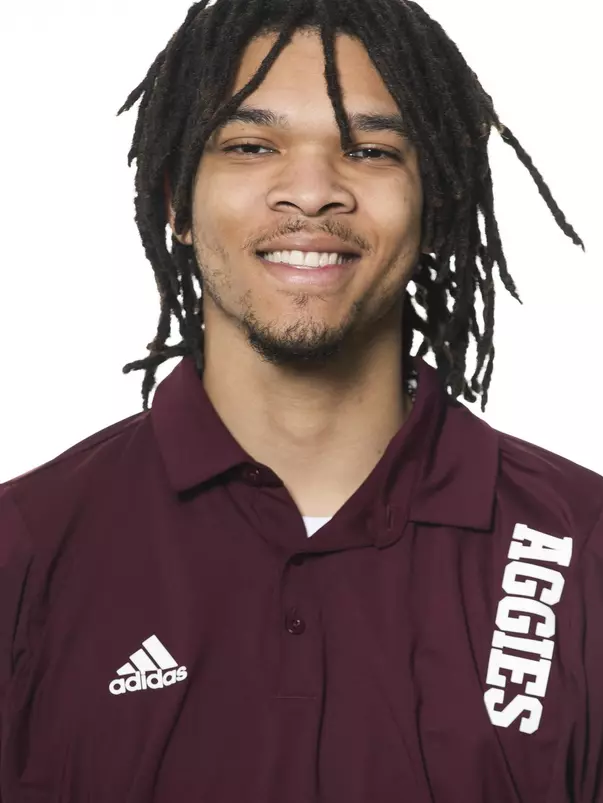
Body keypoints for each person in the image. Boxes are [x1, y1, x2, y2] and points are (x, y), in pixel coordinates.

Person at [0, 0, 599, 800]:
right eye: (252, 145)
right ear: (176, 198)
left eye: (370, 150)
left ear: (435, 204)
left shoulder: (581, 545)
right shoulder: (25, 549)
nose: (311, 192)